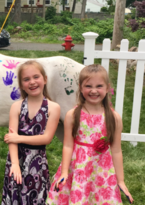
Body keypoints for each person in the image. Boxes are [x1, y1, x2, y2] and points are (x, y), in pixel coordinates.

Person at [46, 64, 134, 204]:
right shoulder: (73, 115)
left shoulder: (113, 117)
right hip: (79, 169)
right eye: (88, 86)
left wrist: (121, 180)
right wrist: (64, 172)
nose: (94, 90)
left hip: (102, 169)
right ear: (80, 87)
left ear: (107, 87)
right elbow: (68, 145)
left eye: (99, 86)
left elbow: (116, 150)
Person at [1, 60, 61, 204]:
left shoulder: (53, 108)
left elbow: (46, 139)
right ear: (21, 85)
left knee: (36, 195)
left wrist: (18, 138)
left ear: (45, 79)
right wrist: (14, 163)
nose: (32, 82)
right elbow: (11, 139)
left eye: (36, 77)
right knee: (15, 192)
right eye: (26, 79)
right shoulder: (16, 107)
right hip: (17, 159)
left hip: (37, 162)